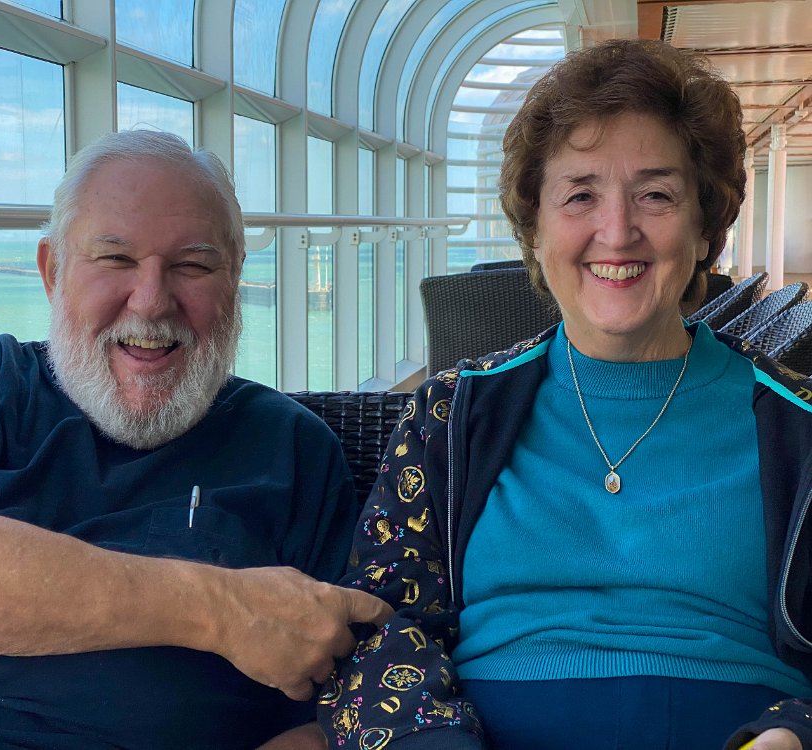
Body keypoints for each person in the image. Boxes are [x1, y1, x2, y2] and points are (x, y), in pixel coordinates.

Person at [0, 129, 391, 749]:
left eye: (193, 265)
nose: (152, 301)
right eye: (115, 259)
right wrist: (220, 609)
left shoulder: (290, 449)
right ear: (52, 271)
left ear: (235, 278)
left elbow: (340, 709)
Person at [317, 39, 812, 750]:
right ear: (536, 228)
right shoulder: (452, 414)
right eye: (581, 195)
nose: (617, 231)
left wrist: (794, 733)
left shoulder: (796, 425)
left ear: (705, 227)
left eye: (656, 194)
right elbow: (376, 626)